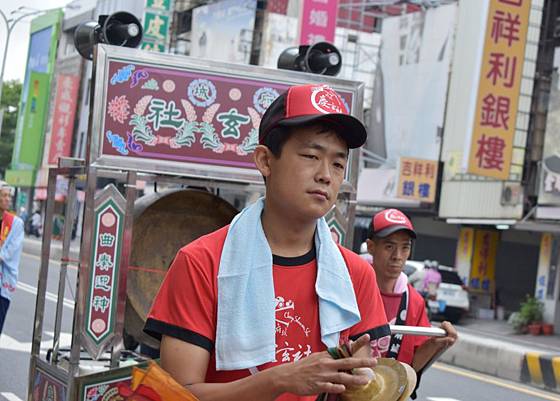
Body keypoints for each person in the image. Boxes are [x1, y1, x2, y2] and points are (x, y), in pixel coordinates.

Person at [144, 84, 392, 401]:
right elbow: (175, 396)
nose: (325, 175)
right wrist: (278, 380)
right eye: (310, 156)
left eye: (338, 163)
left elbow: (356, 390)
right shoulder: (202, 263)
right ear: (265, 160)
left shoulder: (355, 275)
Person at [366, 209, 457, 396]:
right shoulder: (352, 286)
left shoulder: (413, 301)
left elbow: (411, 367)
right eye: (389, 246)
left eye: (405, 248)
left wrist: (437, 343)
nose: (397, 256)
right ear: (370, 247)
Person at [0, 182, 24, 334]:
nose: (8, 199)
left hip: (3, 282)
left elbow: (10, 252)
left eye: (9, 196)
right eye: (4, 195)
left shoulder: (16, 224)